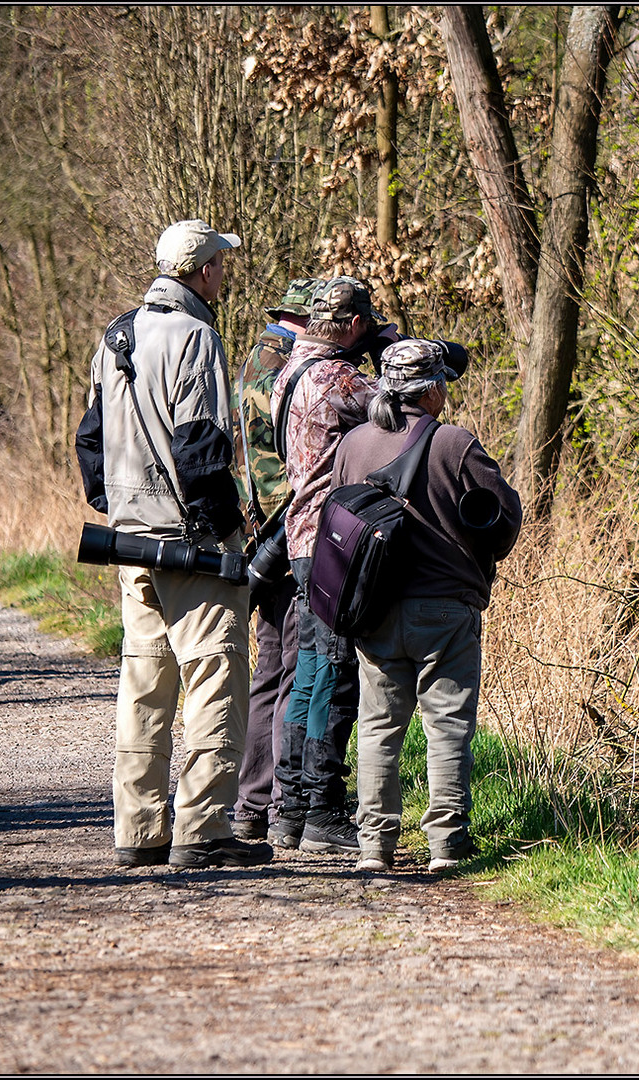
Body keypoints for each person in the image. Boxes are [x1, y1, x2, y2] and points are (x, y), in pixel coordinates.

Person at [74, 219, 272, 868]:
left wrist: (117, 504)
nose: (224, 276)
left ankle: (138, 830)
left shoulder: (118, 333)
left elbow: (90, 440)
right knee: (217, 674)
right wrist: (223, 534)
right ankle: (202, 829)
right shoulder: (194, 335)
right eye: (220, 265)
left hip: (129, 538)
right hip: (189, 540)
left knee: (145, 683)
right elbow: (201, 444)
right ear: (202, 270)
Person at [331, 338, 521, 873]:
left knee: (377, 725)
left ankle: (375, 846)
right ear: (432, 388)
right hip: (444, 609)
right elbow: (505, 519)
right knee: (449, 724)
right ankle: (447, 843)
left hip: (373, 607)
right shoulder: (455, 443)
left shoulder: (353, 445)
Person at [268, 276, 402, 854]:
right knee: (335, 674)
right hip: (334, 543)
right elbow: (401, 407)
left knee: (308, 674)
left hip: (300, 539)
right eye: (364, 325)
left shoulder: (290, 369)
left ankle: (290, 809)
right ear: (350, 327)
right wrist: (394, 346)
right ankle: (322, 808)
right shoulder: (335, 377)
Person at [229, 278, 324, 840]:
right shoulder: (282, 366)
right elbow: (277, 471)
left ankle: (252, 803)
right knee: (291, 668)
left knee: (270, 668)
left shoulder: (256, 357)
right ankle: (278, 803)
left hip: (256, 534)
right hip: (280, 537)